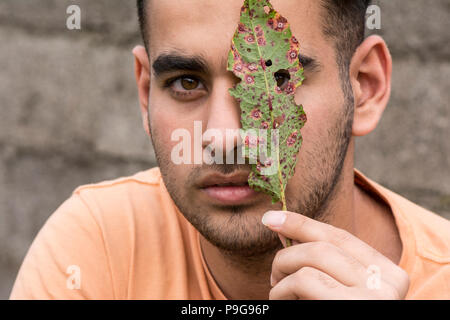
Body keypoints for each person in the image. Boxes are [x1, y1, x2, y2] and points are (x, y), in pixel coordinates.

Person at [10, 0, 450, 300]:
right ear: (146, 92)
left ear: (365, 89)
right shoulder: (100, 245)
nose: (223, 137)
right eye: (186, 82)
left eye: (275, 80)